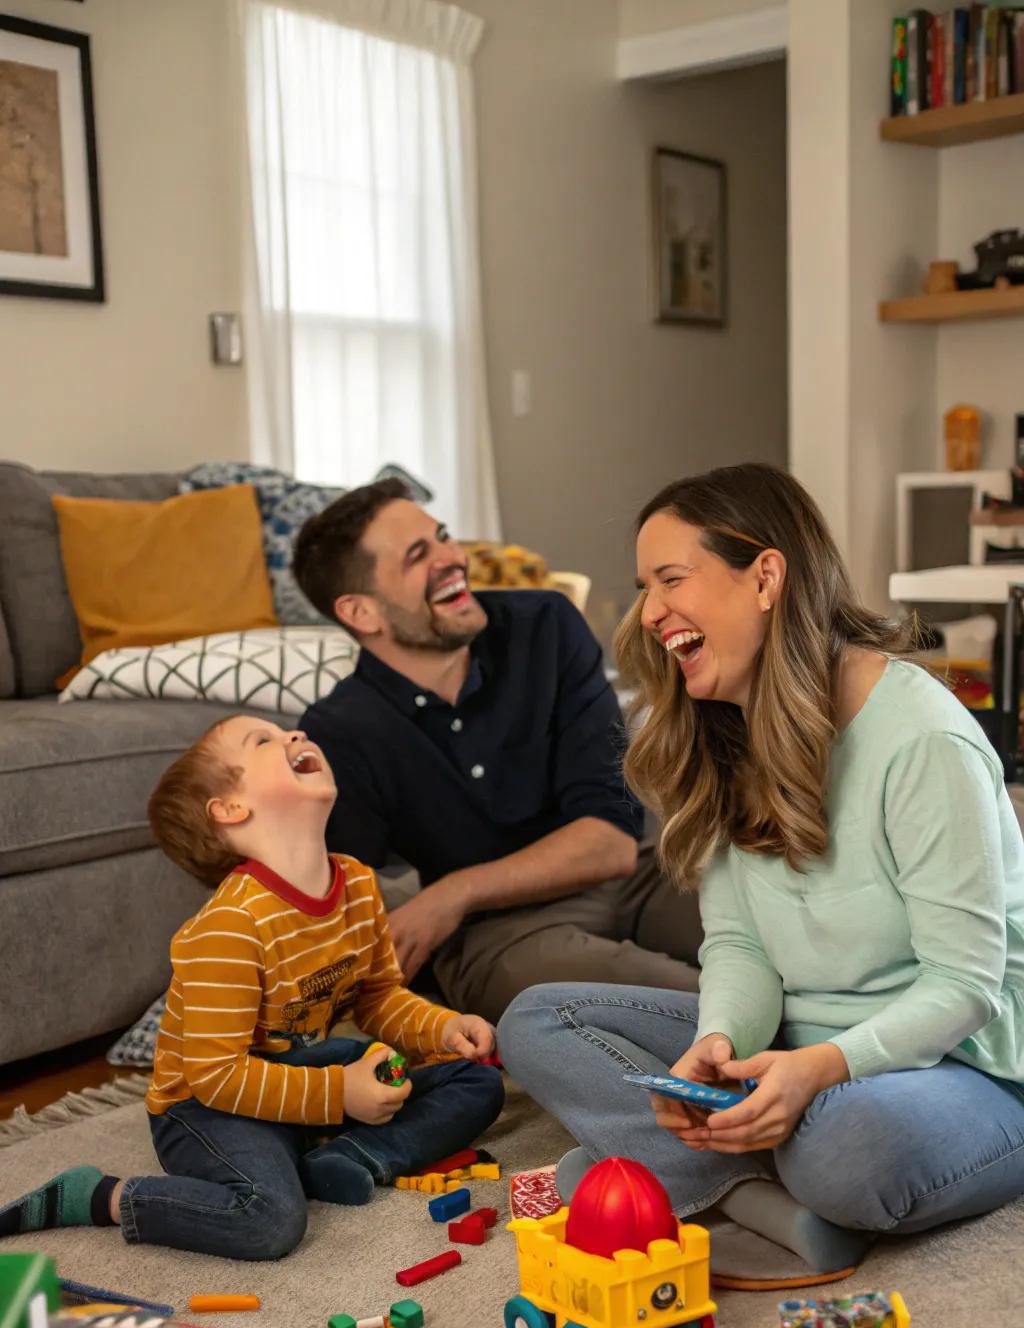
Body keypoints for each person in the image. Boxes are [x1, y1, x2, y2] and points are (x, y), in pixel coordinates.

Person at [497, 463, 1024, 1278]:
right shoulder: (725, 731)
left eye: (672, 579)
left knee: (842, 1149)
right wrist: (718, 1042)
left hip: (964, 1061)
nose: (650, 612)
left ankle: (684, 1178)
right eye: (646, 587)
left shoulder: (920, 737)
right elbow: (740, 946)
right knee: (535, 1023)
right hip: (798, 1044)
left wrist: (814, 1073)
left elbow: (965, 986)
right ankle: (756, 1202)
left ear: (767, 577)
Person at [0, 717, 503, 1259]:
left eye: (285, 730)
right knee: (269, 1219)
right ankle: (104, 1196)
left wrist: (443, 1025)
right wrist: (340, 1093)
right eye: (263, 740)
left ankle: (351, 1155)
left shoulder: (357, 883)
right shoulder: (229, 926)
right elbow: (216, 1076)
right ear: (230, 809)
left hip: (298, 1074)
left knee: (478, 1084)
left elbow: (377, 996)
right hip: (206, 1107)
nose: (292, 735)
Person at [291, 477, 704, 1023]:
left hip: (633, 878)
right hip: (497, 934)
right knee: (684, 1005)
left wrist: (451, 893)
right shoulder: (340, 729)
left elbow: (611, 842)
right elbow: (340, 901)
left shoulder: (544, 625)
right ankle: (786, 1056)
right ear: (361, 613)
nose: (453, 558)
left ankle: (817, 1040)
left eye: (442, 537)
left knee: (779, 930)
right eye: (419, 555)